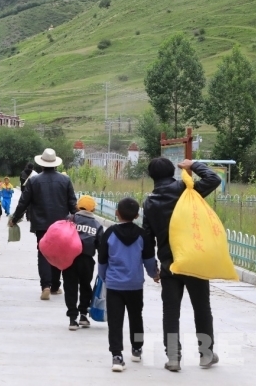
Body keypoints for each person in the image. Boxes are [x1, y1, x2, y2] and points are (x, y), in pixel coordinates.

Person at [142, 158, 221, 372]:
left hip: (170, 263)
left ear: (152, 177)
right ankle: (205, 355)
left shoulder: (149, 202)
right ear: (172, 172)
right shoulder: (186, 189)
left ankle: (174, 358)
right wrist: (193, 165)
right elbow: (214, 179)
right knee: (202, 308)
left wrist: (153, 268)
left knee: (170, 311)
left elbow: (148, 239)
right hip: (194, 260)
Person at [98, 197, 158, 372]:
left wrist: (103, 278)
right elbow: (148, 260)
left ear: (117, 213)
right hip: (135, 285)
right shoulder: (142, 235)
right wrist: (154, 274)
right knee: (136, 316)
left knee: (115, 321)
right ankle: (137, 348)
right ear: (137, 215)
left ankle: (117, 356)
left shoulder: (109, 234)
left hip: (114, 285)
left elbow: (102, 260)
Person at [9, 148, 77, 300]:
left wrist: (14, 218)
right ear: (55, 164)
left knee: (44, 252)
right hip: (61, 224)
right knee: (57, 253)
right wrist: (79, 220)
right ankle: (54, 286)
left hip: (41, 224)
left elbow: (23, 202)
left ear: (41, 165)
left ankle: (45, 286)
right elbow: (73, 204)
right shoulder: (65, 180)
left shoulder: (34, 181)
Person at [63, 195, 103, 331]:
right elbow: (101, 245)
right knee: (86, 286)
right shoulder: (97, 224)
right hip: (86, 260)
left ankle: (72, 319)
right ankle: (84, 315)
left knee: (70, 287)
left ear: (77, 207)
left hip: (69, 258)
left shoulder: (70, 219)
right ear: (93, 210)